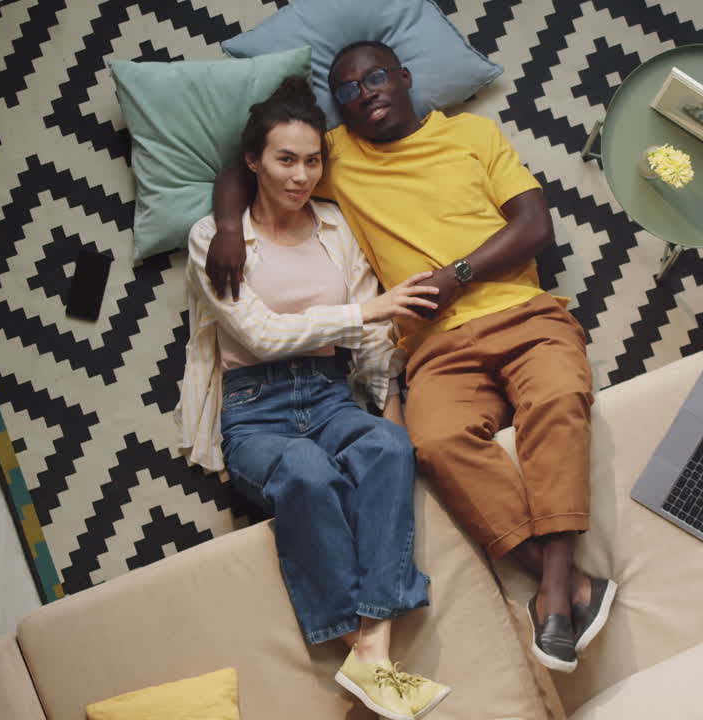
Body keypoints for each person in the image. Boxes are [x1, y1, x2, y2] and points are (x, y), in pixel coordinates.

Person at [206, 42, 616, 674]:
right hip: (431, 347)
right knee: (434, 443)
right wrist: (230, 228)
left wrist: (456, 275)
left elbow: (535, 225)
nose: (364, 92)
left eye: (375, 77)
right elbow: (249, 162)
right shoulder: (332, 156)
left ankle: (555, 596)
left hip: (522, 313)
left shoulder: (474, 135)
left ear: (403, 77)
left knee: (558, 398)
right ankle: (572, 586)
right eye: (346, 88)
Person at [177, 75, 449, 720]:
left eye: (311, 160)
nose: (301, 175)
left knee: (388, 445)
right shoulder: (214, 241)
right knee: (307, 471)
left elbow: (378, 331)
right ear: (253, 162)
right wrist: (363, 309)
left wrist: (389, 401)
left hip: (328, 395)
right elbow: (263, 336)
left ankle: (371, 655)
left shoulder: (334, 225)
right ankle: (365, 646)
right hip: (254, 408)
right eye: (285, 159)